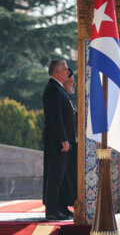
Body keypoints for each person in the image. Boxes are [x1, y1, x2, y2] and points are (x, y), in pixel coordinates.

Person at [42, 59, 75, 220]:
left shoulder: (59, 88)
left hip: (63, 141)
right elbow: (56, 118)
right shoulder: (53, 89)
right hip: (57, 142)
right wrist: (63, 140)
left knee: (61, 176)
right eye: (65, 69)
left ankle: (61, 207)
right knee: (54, 176)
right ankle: (52, 211)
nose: (68, 72)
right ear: (56, 71)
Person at [60, 69, 77, 215]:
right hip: (64, 143)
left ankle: (67, 205)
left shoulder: (68, 98)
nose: (75, 84)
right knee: (64, 177)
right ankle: (62, 207)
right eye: (72, 82)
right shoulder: (61, 95)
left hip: (72, 143)